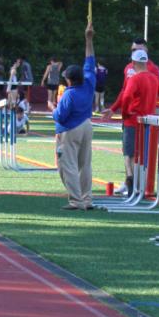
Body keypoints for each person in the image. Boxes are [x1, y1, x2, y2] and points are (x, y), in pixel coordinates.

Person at [104, 47, 159, 196]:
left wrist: (125, 112)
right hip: (148, 122)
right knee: (141, 154)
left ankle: (131, 181)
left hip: (133, 120)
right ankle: (137, 185)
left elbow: (126, 96)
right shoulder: (153, 78)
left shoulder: (134, 79)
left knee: (129, 153)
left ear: (133, 63)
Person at [53, 22, 98, 210]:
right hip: (87, 125)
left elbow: (60, 117)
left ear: (69, 80)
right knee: (85, 164)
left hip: (70, 130)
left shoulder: (69, 94)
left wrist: (54, 108)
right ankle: (87, 199)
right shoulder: (89, 82)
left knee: (68, 165)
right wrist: (89, 39)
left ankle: (76, 201)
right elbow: (90, 59)